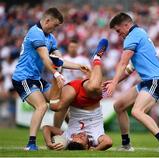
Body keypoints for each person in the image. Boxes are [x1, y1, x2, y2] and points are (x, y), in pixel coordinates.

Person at [12, 8, 88, 151]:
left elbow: (58, 60)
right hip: (23, 78)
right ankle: (31, 144)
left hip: (36, 78)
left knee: (61, 102)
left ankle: (64, 133)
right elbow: (45, 58)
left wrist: (79, 66)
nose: (55, 29)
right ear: (47, 21)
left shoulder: (50, 38)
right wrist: (56, 74)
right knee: (42, 106)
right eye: (55, 25)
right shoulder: (35, 33)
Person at [105, 12, 159, 152]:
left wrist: (114, 84)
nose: (119, 34)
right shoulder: (140, 33)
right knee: (119, 106)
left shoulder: (132, 36)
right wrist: (114, 81)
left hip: (155, 81)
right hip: (148, 81)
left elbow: (123, 63)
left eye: (119, 31)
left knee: (137, 111)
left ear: (126, 25)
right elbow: (130, 69)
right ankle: (126, 145)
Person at [44, 39, 112, 150]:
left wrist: (49, 143)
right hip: (90, 98)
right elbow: (108, 142)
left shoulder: (68, 137)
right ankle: (97, 58)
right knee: (94, 87)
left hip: (72, 93)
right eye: (81, 138)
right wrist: (95, 150)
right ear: (87, 145)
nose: (79, 135)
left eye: (76, 136)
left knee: (54, 107)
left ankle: (57, 69)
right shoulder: (95, 138)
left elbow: (46, 129)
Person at [54, 39, 91, 127]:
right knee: (62, 109)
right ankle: (57, 129)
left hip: (79, 89)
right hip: (65, 88)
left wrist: (83, 78)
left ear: (78, 48)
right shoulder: (64, 59)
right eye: (71, 47)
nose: (73, 48)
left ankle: (75, 128)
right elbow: (58, 73)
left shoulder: (83, 60)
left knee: (73, 112)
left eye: (74, 47)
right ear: (68, 48)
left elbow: (90, 74)